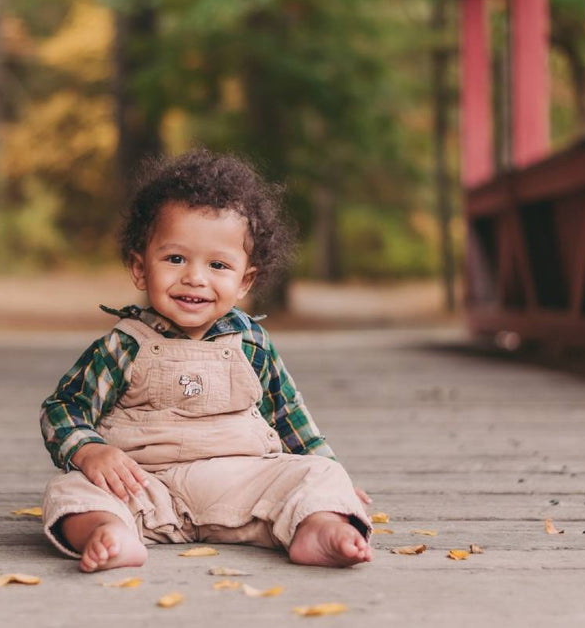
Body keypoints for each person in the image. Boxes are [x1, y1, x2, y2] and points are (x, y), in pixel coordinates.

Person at [40, 150, 372, 572]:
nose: (195, 277)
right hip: (145, 486)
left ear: (245, 280)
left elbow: (290, 416)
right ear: (140, 269)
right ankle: (111, 532)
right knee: (68, 491)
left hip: (241, 485)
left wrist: (333, 487)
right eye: (175, 259)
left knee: (318, 476)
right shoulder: (124, 346)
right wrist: (89, 451)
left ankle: (319, 527)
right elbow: (62, 408)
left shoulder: (252, 342)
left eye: (218, 264)